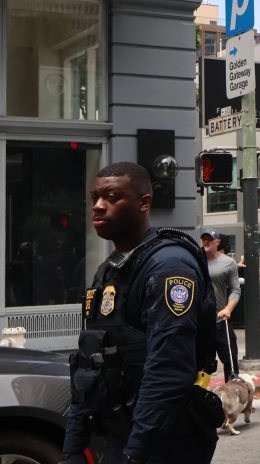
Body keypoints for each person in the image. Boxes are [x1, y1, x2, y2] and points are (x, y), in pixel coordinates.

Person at [59, 162, 219, 464]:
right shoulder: (111, 270)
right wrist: (73, 448)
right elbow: (88, 363)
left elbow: (168, 371)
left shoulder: (169, 266)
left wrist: (135, 454)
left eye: (112, 197)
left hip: (162, 442)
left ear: (144, 202)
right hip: (123, 435)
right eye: (95, 197)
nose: (98, 206)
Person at [200, 228, 240, 382]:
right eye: (203, 239)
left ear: (218, 242)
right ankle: (199, 401)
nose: (206, 241)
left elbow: (235, 289)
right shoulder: (195, 260)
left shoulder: (228, 263)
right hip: (201, 323)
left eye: (209, 239)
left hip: (220, 321)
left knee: (231, 361)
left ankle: (234, 398)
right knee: (201, 365)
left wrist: (228, 308)